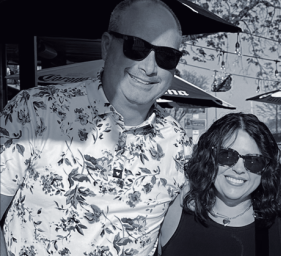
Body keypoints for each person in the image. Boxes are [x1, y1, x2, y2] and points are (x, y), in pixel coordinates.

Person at [0, 0, 190, 255]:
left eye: (167, 56)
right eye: (137, 47)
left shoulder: (178, 143)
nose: (149, 67)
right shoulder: (35, 111)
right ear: (107, 45)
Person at [158, 113, 281, 256]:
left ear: (266, 168)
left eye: (253, 161)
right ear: (209, 156)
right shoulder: (176, 206)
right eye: (227, 155)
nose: (239, 169)